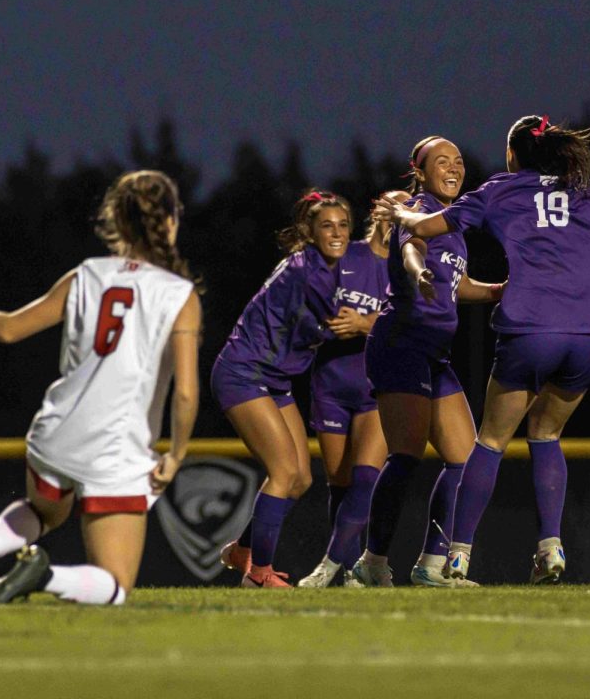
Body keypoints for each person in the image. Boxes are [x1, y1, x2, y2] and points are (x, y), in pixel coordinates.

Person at [375, 116, 590, 585]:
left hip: (530, 327)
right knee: (546, 434)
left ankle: (458, 555)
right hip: (589, 332)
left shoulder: (500, 189)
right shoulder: (583, 187)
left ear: (512, 153)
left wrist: (400, 216)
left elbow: (430, 224)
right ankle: (550, 547)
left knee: (492, 441)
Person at [0, 170, 201, 605]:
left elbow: (10, 329)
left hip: (55, 432)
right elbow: (185, 393)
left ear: (117, 222)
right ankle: (41, 575)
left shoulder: (85, 274)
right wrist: (176, 455)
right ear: (171, 221)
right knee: (116, 585)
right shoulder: (178, 294)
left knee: (45, 512)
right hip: (113, 449)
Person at [348, 136, 502, 588]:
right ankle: (371, 562)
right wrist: (417, 272)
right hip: (400, 344)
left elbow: (458, 283)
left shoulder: (452, 222)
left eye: (458, 160)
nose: (454, 168)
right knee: (407, 456)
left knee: (464, 458)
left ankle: (431, 565)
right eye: (441, 161)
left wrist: (501, 289)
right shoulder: (416, 209)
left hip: (434, 352)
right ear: (419, 171)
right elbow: (411, 247)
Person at [212, 190, 349, 588]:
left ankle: (241, 550)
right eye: (327, 225)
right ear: (309, 230)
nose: (337, 232)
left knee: (301, 478)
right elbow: (343, 320)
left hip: (273, 379)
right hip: (244, 373)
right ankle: (257, 574)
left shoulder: (323, 266)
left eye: (343, 225)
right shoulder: (306, 270)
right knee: (284, 471)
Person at [298, 190, 411, 588]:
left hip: (374, 388)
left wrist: (365, 324)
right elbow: (304, 301)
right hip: (329, 383)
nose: (400, 214)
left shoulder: (409, 268)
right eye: (394, 206)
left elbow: (412, 325)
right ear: (378, 211)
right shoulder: (346, 256)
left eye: (409, 208)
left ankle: (330, 565)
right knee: (341, 484)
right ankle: (351, 572)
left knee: (366, 478)